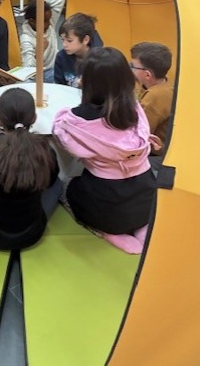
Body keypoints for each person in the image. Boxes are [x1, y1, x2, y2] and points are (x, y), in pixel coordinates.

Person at [52, 47, 156, 255]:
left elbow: (61, 133)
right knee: (137, 205)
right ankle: (143, 228)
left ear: (88, 82)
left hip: (106, 206)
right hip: (147, 199)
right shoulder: (135, 109)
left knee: (65, 187)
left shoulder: (78, 119)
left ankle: (108, 232)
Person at [0, 87, 63, 251]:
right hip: (31, 233)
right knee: (57, 184)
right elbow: (50, 181)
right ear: (34, 118)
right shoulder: (45, 149)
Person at [130, 42, 174, 158]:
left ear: (147, 75)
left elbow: (137, 134)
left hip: (158, 155)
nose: (130, 70)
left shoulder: (155, 96)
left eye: (133, 66)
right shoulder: (166, 83)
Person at [20, 0, 66, 83]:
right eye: (45, 21)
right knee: (25, 83)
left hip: (54, 69)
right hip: (37, 74)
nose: (49, 23)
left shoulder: (49, 23)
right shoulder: (26, 39)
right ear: (32, 21)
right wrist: (39, 51)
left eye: (49, 20)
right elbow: (28, 69)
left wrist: (37, 3)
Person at [54, 12, 103, 87]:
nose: (64, 45)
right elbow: (59, 85)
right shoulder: (61, 57)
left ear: (85, 40)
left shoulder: (100, 60)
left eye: (69, 41)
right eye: (62, 40)